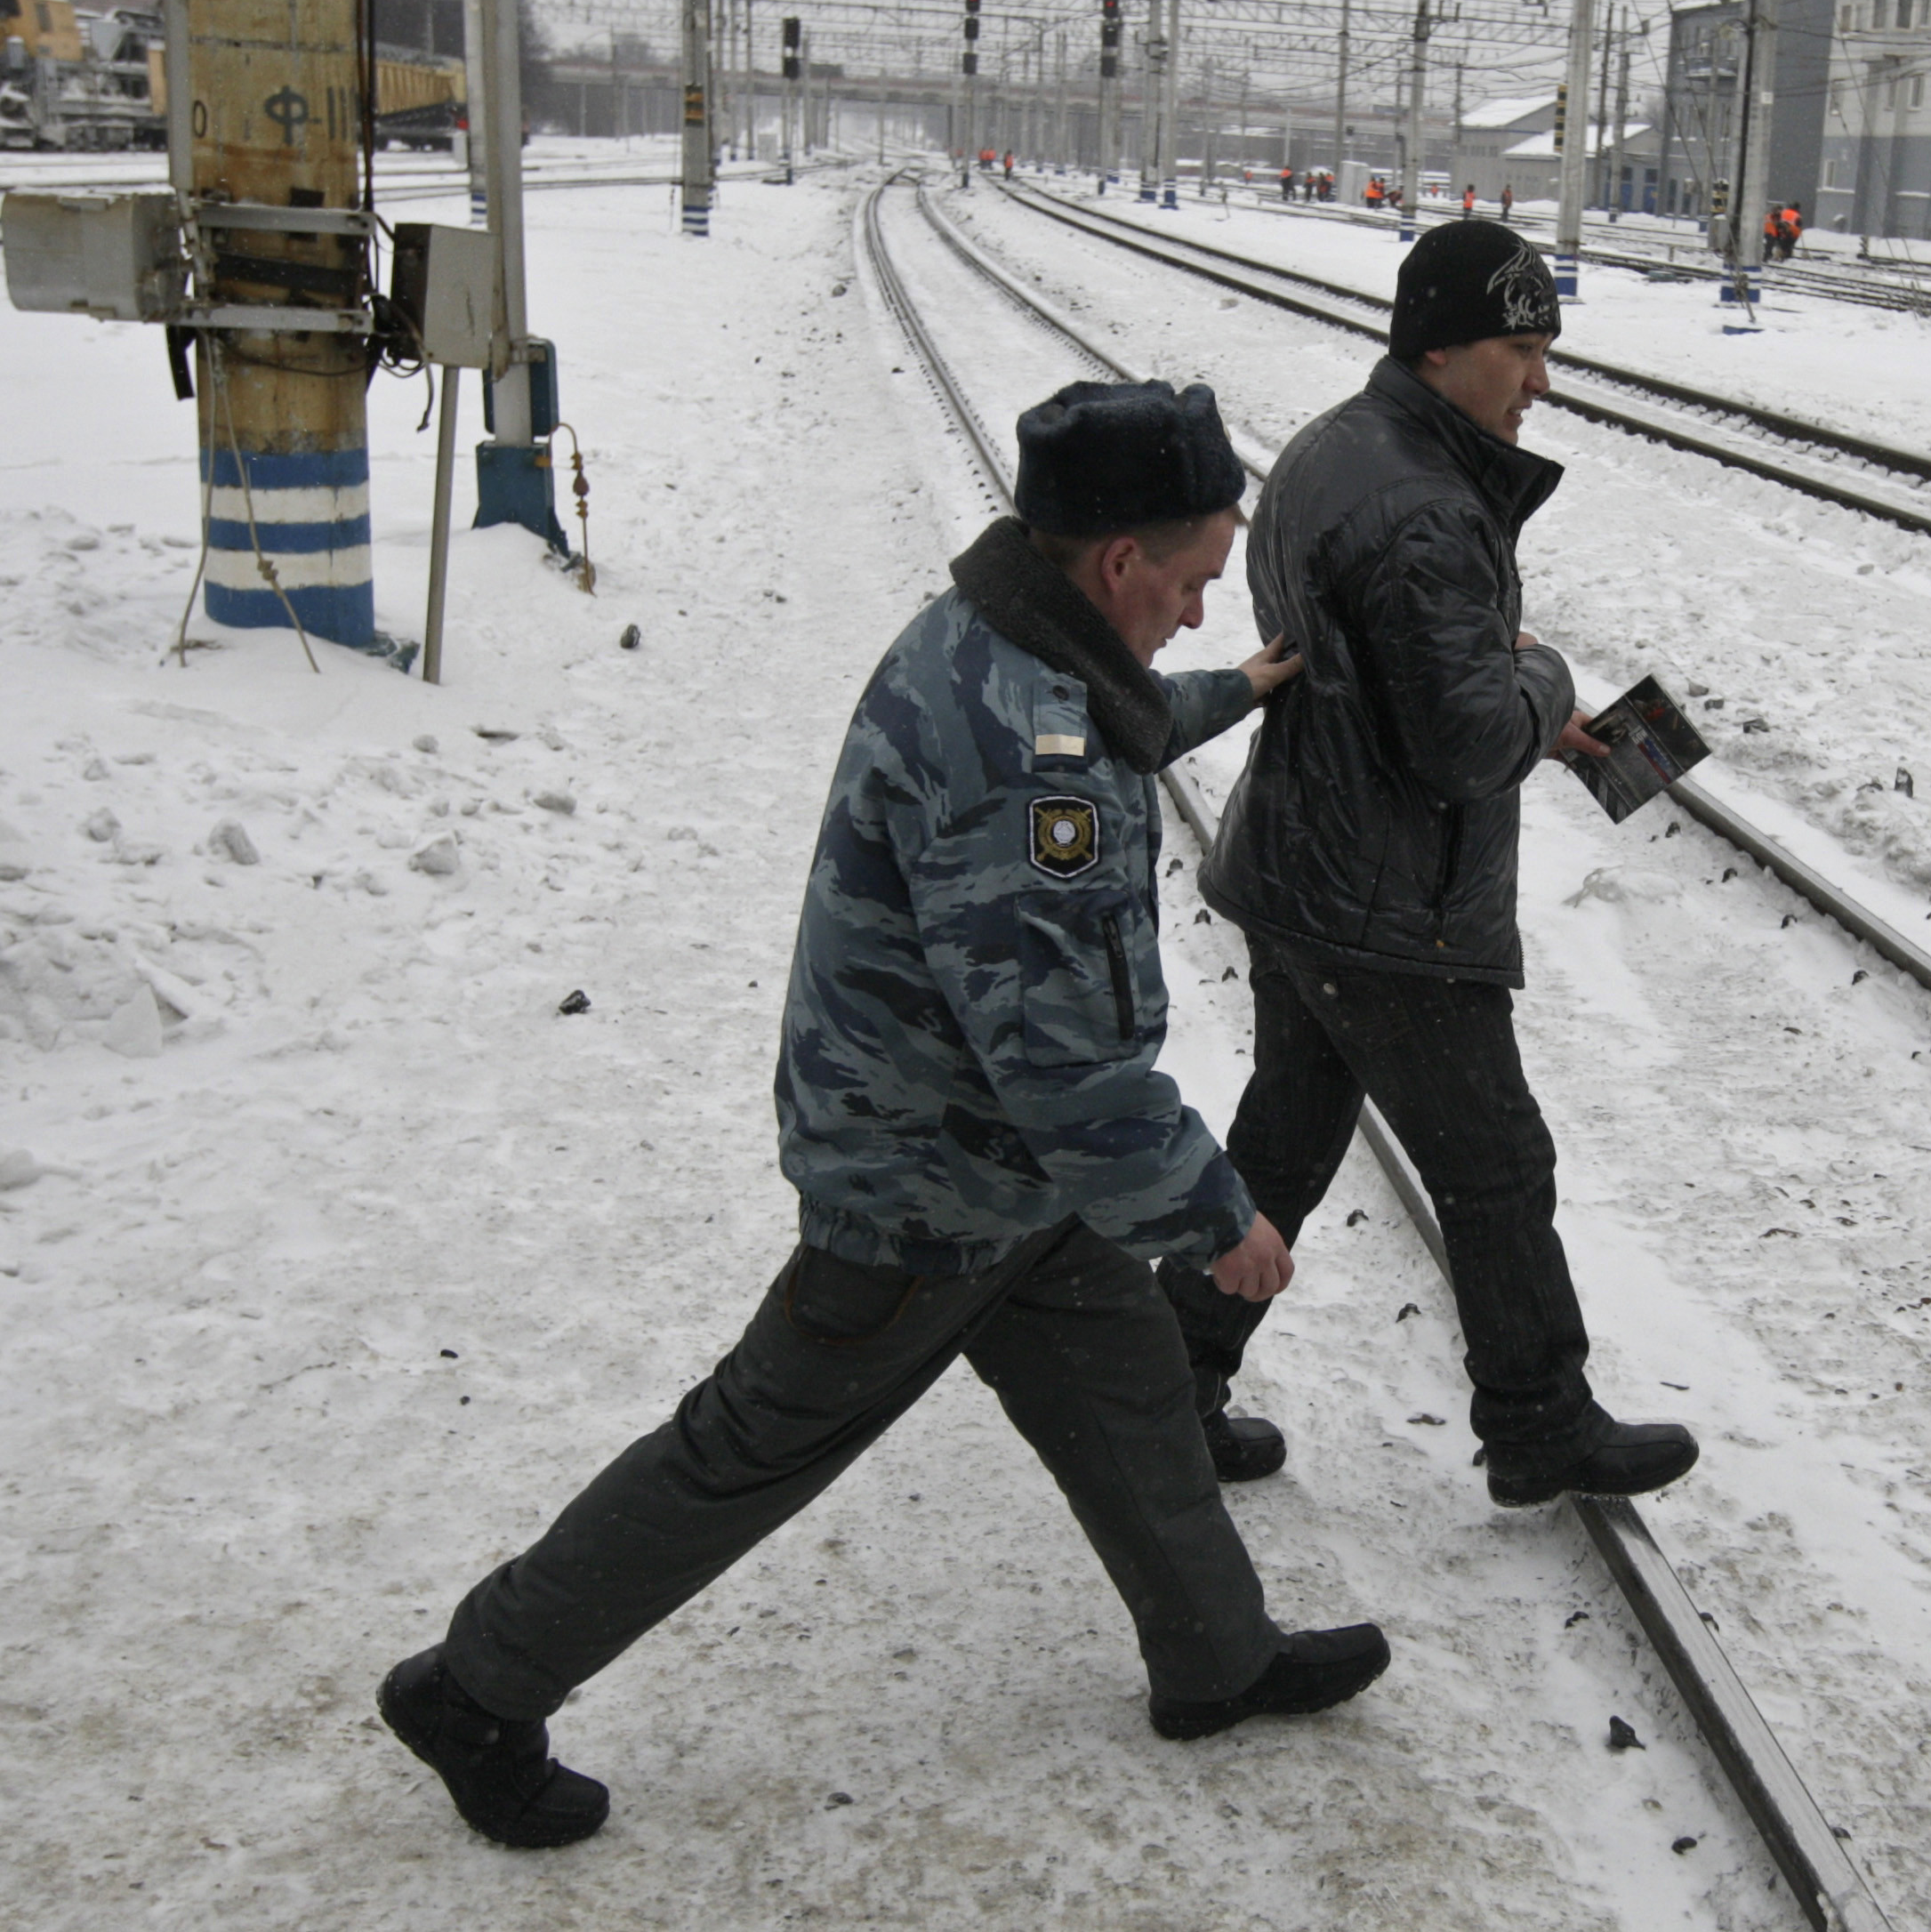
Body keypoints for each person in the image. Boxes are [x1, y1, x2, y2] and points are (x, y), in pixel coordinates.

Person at [374, 382, 1389, 1852]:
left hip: (1006, 1183)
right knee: (744, 1452)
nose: (1192, 610)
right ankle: (473, 1687)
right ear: (1117, 564)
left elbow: (1123, 710)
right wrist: (1217, 1216)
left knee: (1128, 1398)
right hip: (925, 1190)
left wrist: (1238, 685)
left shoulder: (1012, 630)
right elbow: (1068, 1062)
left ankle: (1217, 1660)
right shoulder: (1025, 755)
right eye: (1188, 584)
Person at [1179, 221, 1698, 1509]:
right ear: (1444, 347)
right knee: (1496, 1166)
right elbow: (1466, 748)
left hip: (1311, 866)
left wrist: (1488, 666)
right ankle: (1537, 1422)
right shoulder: (1423, 504)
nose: (1541, 383)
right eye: (1522, 352)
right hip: (1391, 906)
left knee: (1287, 1141)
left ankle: (1162, 1387)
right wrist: (1538, 674)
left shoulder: (1339, 448)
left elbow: (1372, 665)